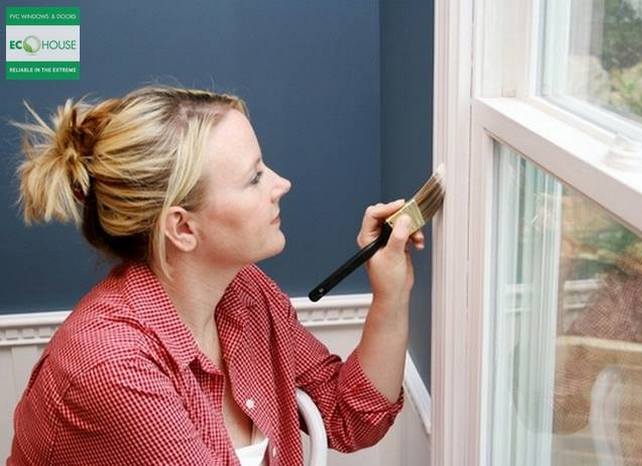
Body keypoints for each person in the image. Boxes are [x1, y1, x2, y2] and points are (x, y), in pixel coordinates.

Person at [7, 85, 425, 466]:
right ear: (183, 228)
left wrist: (391, 293)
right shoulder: (114, 366)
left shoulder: (245, 292)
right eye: (255, 177)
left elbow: (348, 416)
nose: (283, 184)